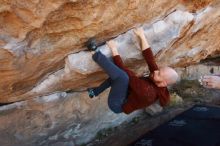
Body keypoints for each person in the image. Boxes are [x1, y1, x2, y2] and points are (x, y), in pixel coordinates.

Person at [86, 27, 179, 114]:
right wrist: (141, 36)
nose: (155, 71)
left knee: (122, 77)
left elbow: (125, 72)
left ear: (163, 84)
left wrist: (114, 49)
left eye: (159, 74)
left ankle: (95, 53)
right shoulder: (158, 78)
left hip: (118, 104)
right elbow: (150, 60)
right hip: (127, 93)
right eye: (159, 70)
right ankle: (94, 92)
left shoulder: (148, 92)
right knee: (117, 78)